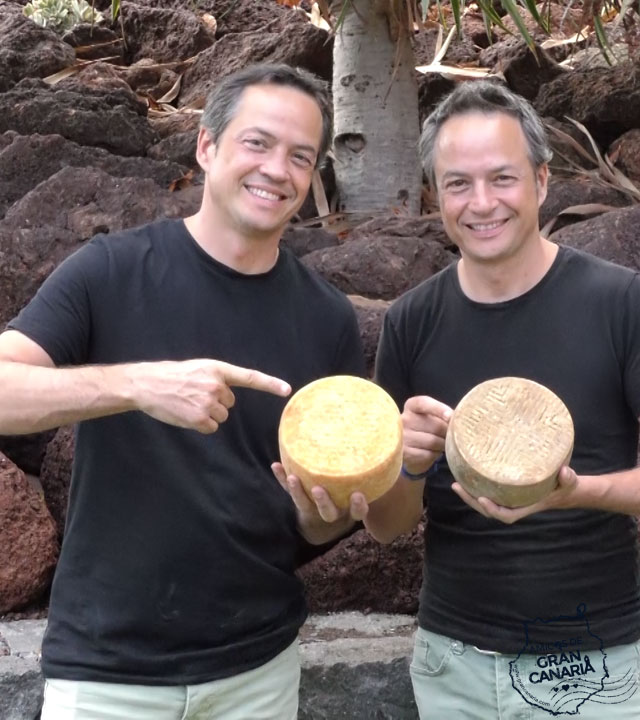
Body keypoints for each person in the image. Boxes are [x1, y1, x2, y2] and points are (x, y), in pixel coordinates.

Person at [0, 64, 366, 720]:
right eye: (257, 143)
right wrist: (136, 384)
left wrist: (321, 512)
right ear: (206, 146)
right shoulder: (109, 271)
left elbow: (320, 518)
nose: (276, 169)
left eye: (300, 156)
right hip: (108, 672)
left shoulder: (329, 318)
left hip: (258, 670)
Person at [365, 80, 640, 718]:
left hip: (595, 657)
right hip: (453, 660)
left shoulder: (620, 303)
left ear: (542, 182)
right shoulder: (410, 321)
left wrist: (577, 492)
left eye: (503, 179)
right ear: (436, 196)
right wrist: (406, 462)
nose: (481, 203)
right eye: (458, 183)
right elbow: (385, 526)